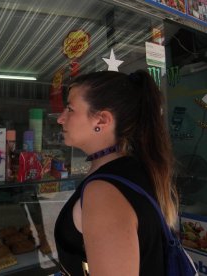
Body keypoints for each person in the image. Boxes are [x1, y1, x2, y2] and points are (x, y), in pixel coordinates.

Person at [54, 70, 178, 275]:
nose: (60, 118)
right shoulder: (132, 170)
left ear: (101, 120)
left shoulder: (104, 192)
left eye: (70, 109)